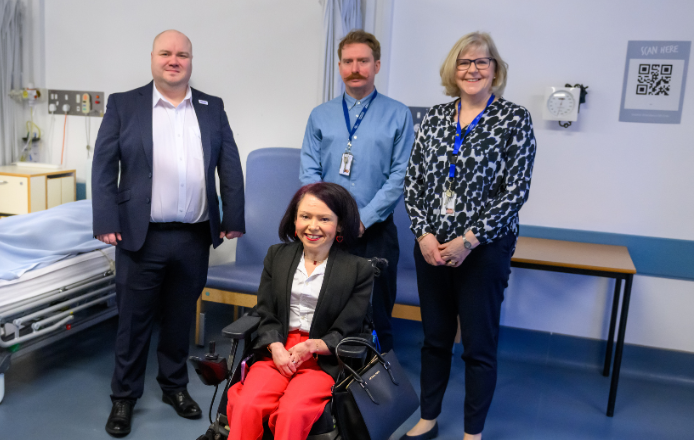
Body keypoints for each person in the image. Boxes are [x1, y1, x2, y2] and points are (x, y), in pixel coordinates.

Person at [90, 29, 246, 438]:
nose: (174, 60)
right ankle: (123, 398)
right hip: (141, 236)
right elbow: (104, 166)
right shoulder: (125, 105)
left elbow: (229, 165)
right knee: (133, 323)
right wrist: (106, 220)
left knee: (180, 319)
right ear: (153, 58)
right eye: (166, 53)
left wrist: (234, 216)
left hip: (194, 235)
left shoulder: (212, 107)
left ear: (191, 61)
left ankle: (174, 387)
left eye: (182, 54)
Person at [401, 32, 536, 440]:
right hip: (431, 249)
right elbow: (414, 182)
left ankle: (472, 433)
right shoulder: (435, 118)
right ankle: (428, 417)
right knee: (435, 340)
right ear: (452, 70)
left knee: (478, 346)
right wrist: (423, 233)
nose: (472, 69)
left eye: (482, 62)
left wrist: (469, 241)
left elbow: (515, 192)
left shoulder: (514, 118)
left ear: (495, 70)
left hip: (484, 250)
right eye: (464, 62)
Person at [225, 182, 374, 440]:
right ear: (294, 220)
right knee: (248, 405)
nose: (312, 226)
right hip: (279, 348)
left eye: (324, 218)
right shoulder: (277, 256)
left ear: (339, 225)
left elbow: (348, 328)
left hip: (322, 355)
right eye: (305, 216)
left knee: (292, 412)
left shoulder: (358, 270)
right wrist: (275, 346)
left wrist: (313, 347)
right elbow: (266, 311)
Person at [300, 30, 413, 354]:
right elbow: (309, 171)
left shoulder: (398, 114)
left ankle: (378, 389)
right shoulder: (320, 115)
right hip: (327, 232)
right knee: (324, 309)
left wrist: (362, 219)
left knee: (377, 315)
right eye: (348, 61)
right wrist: (325, 218)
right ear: (339, 66)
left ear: (376, 65)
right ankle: (326, 383)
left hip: (375, 231)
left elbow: (400, 175)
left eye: (363, 61)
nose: (355, 67)